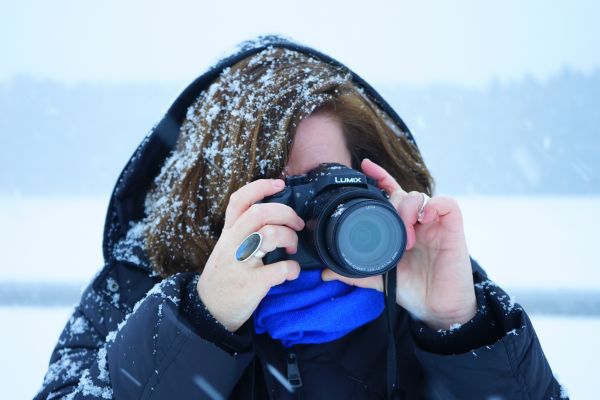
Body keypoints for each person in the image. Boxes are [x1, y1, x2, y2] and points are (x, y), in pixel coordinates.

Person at [35, 36, 565, 399]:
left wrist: (459, 328)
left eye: (327, 182)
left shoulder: (418, 289)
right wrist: (199, 321)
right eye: (279, 192)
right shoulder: (137, 290)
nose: (307, 217)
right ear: (211, 197)